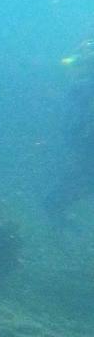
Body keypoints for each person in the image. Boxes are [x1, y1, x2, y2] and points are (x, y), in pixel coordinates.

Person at [47, 39, 94, 219]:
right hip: (85, 136)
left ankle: (55, 207)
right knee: (86, 176)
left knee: (84, 176)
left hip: (82, 135)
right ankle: (54, 206)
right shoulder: (83, 85)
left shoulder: (81, 84)